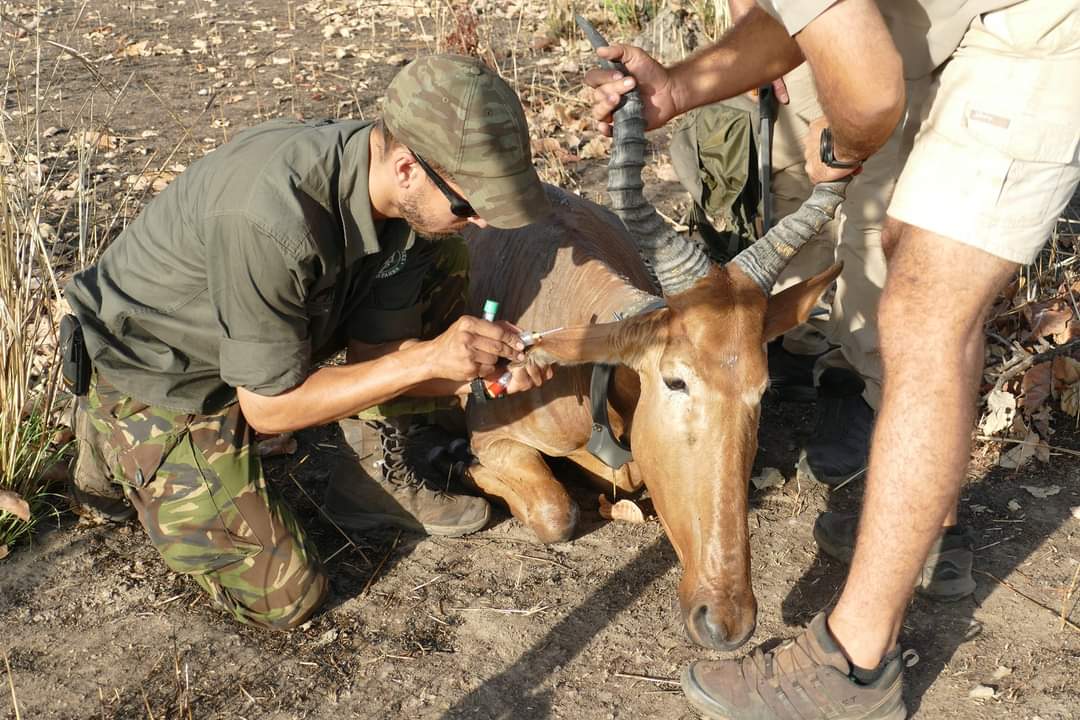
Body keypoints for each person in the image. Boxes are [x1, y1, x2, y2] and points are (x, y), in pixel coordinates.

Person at [587, 1, 1080, 717]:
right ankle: (923, 532)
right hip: (961, 19)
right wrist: (678, 86)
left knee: (924, 312)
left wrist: (844, 147)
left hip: (1042, 35)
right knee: (907, 252)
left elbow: (871, 94)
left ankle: (851, 666)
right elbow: (812, 18)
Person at [65, 54, 553, 630]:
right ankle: (109, 436)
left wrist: (477, 375)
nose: (482, 223)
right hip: (161, 374)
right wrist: (430, 356)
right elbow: (270, 409)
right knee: (288, 596)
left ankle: (365, 476)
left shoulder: (396, 197)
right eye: (470, 205)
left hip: (257, 349)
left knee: (440, 255)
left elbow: (380, 364)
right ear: (406, 169)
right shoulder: (272, 217)